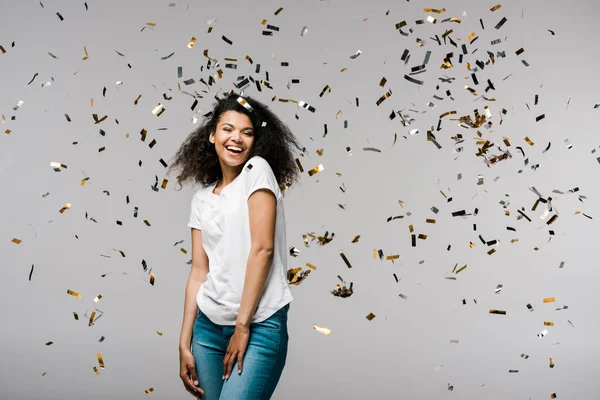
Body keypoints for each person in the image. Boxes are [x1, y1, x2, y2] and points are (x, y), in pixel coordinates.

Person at [168, 91, 303, 399]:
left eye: (247, 132)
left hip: (259, 326)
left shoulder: (257, 172)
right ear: (212, 135)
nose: (236, 138)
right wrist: (184, 343)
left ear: (257, 142)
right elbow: (199, 272)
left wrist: (242, 328)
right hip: (208, 330)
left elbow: (263, 250)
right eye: (228, 129)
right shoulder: (202, 200)